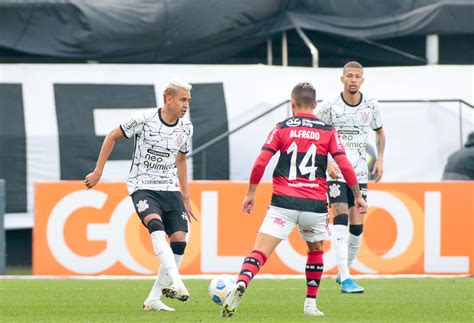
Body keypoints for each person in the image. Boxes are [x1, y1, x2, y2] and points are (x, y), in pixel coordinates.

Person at [221, 82, 368, 318]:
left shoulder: (281, 127)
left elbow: (261, 162)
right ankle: (310, 304)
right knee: (315, 249)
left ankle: (242, 282)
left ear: (292, 104)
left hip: (283, 202)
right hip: (314, 205)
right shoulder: (328, 131)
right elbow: (345, 165)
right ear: (315, 105)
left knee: (260, 251)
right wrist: (358, 195)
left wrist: (250, 193)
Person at [84, 79, 197, 312]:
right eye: (182, 99)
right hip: (142, 185)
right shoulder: (144, 119)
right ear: (168, 98)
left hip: (169, 188)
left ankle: (153, 299)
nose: (186, 105)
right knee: (155, 226)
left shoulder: (186, 128)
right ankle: (177, 283)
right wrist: (98, 172)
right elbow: (112, 136)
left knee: (179, 240)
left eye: (188, 100)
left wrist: (185, 196)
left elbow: (181, 159)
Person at [316, 61, 385, 293]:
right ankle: (346, 279)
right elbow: (316, 134)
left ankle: (344, 271)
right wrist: (327, 162)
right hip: (336, 173)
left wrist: (381, 159)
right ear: (342, 79)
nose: (353, 79)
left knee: (356, 229)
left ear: (362, 80)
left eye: (357, 76)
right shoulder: (329, 106)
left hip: (360, 174)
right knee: (340, 221)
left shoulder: (371, 106)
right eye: (349, 76)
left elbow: (380, 132)